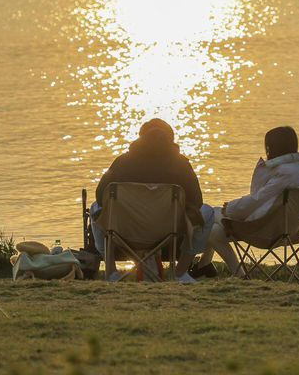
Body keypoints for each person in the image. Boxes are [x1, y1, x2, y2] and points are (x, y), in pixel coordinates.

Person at [90, 118, 214, 282]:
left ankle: (111, 271)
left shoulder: (122, 162)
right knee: (207, 212)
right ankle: (180, 272)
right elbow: (197, 201)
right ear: (171, 139)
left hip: (125, 230)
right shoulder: (181, 164)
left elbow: (100, 196)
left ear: (140, 138)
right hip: (168, 232)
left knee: (95, 207)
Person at [191, 126, 299, 278]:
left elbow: (258, 198)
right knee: (214, 229)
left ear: (272, 147)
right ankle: (207, 267)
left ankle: (233, 274)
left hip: (267, 230)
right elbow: (265, 200)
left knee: (208, 215)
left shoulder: (284, 172)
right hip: (286, 229)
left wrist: (230, 208)